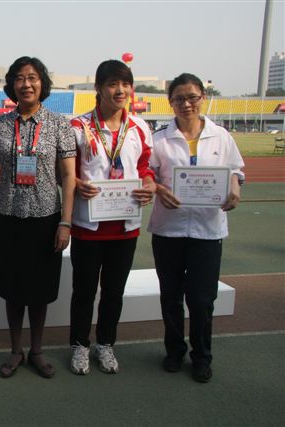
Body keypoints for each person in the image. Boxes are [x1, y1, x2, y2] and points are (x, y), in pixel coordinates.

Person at [149, 73, 244, 383]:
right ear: (170, 102)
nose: (186, 104)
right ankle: (174, 351)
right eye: (179, 98)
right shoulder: (159, 139)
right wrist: (159, 189)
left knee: (202, 300)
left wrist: (234, 185)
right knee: (171, 297)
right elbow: (147, 174)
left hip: (207, 231)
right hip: (169, 230)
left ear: (203, 97)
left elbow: (236, 170)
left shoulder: (221, 136)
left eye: (192, 97)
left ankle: (202, 356)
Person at [0, 56, 76, 379]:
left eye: (33, 77)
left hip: (45, 216)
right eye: (19, 78)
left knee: (40, 289)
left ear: (42, 83)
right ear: (11, 85)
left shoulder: (59, 124)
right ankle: (16, 350)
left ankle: (37, 351)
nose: (26, 84)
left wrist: (65, 222)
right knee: (13, 288)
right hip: (8, 215)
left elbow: (68, 176)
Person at [68, 60, 155, 375]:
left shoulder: (139, 127)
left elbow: (145, 168)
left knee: (114, 292)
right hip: (88, 226)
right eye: (112, 84)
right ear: (98, 88)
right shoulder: (78, 126)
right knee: (84, 291)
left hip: (125, 227)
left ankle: (105, 344)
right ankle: (79, 345)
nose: (120, 90)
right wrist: (76, 183)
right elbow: (64, 170)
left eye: (125, 84)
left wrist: (149, 184)